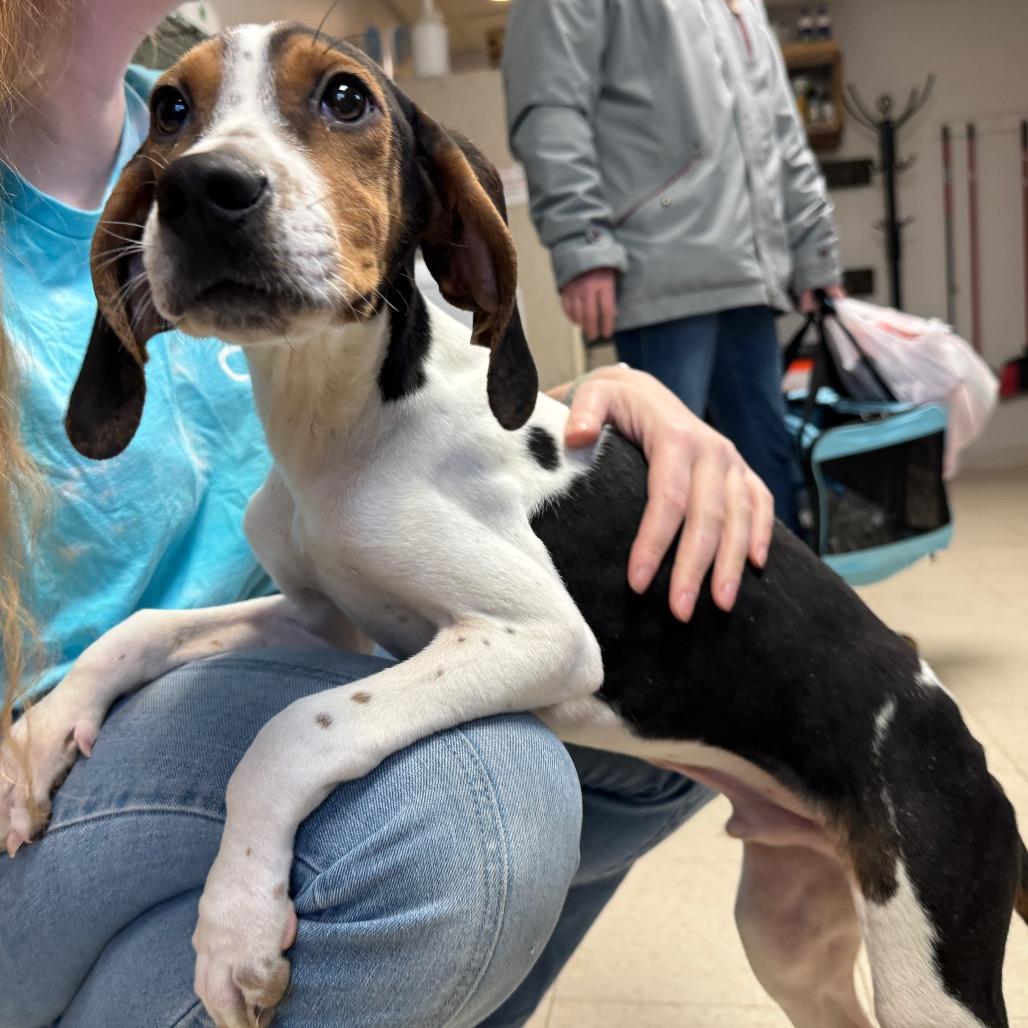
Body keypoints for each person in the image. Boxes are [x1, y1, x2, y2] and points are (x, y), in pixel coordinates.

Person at [0, 3, 774, 1026]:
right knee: (482, 799)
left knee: (672, 669)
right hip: (37, 802)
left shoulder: (185, 134)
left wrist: (589, 426)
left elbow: (399, 431)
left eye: (337, 100)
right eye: (186, 114)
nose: (211, 160)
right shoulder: (166, 187)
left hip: (242, 676)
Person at [503, 0, 846, 533]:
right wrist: (583, 241)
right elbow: (549, 102)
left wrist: (813, 248)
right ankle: (683, 614)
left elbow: (782, 135)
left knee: (769, 472)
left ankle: (790, 614)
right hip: (657, 265)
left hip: (748, 276)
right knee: (669, 483)